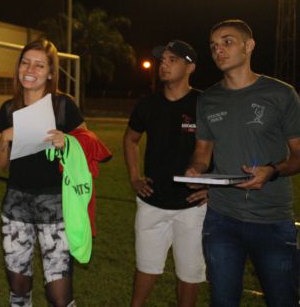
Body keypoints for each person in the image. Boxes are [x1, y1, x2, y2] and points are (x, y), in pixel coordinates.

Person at [186, 19, 300, 306]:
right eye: (213, 45)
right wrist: (196, 171)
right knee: (222, 300)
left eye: (227, 42)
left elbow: (298, 156)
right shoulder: (208, 99)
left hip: (272, 220)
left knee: (282, 300)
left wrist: (272, 171)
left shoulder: (281, 94)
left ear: (249, 46)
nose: (218, 50)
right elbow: (202, 154)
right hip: (222, 219)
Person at [0, 39, 85, 307]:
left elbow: (89, 146)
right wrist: (5, 138)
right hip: (16, 205)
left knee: (59, 296)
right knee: (18, 287)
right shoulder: (8, 109)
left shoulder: (63, 106)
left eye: (39, 65)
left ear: (51, 73)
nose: (30, 70)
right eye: (25, 62)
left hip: (56, 205)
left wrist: (67, 142)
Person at [123, 40, 207, 307]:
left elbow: (220, 148)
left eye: (173, 60)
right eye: (163, 60)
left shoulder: (205, 103)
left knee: (189, 273)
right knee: (145, 266)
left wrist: (210, 186)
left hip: (191, 205)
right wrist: (135, 177)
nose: (164, 65)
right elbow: (131, 139)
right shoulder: (148, 104)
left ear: (190, 67)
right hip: (152, 201)